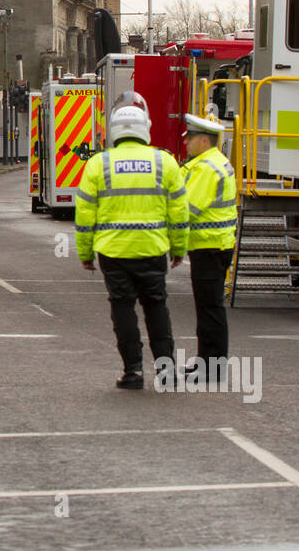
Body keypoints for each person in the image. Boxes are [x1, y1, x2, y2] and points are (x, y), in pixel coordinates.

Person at [76, 105, 188, 389]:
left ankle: (133, 372)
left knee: (123, 308)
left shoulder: (97, 164)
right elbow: (179, 213)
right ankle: (166, 371)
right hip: (152, 249)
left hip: (113, 252)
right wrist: (178, 249)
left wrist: (85, 253)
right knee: (156, 306)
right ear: (145, 128)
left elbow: (85, 215)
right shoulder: (165, 162)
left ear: (114, 130)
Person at [180, 113, 237, 381]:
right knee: (208, 307)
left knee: (209, 309)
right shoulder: (214, 162)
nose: (187, 143)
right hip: (216, 246)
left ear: (204, 140)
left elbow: (187, 208)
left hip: (208, 247)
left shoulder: (205, 169)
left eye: (190, 138)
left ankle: (212, 367)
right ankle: (208, 362)